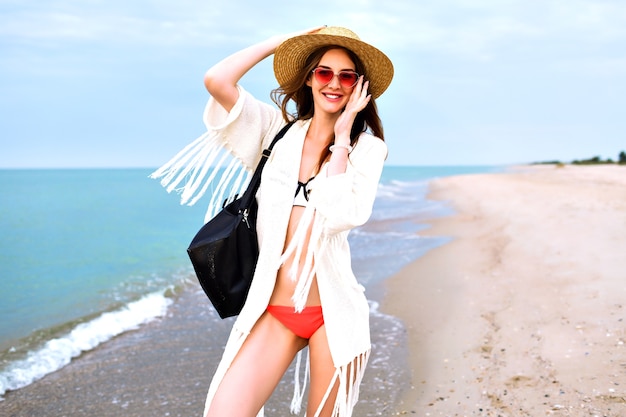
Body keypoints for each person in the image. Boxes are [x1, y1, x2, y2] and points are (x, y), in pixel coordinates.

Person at [153, 26, 393, 417]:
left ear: (359, 86)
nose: (334, 83)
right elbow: (217, 80)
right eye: (323, 72)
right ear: (309, 78)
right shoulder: (274, 132)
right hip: (274, 311)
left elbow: (342, 216)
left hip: (333, 314)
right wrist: (281, 45)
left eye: (346, 75)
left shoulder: (367, 149)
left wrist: (343, 140)